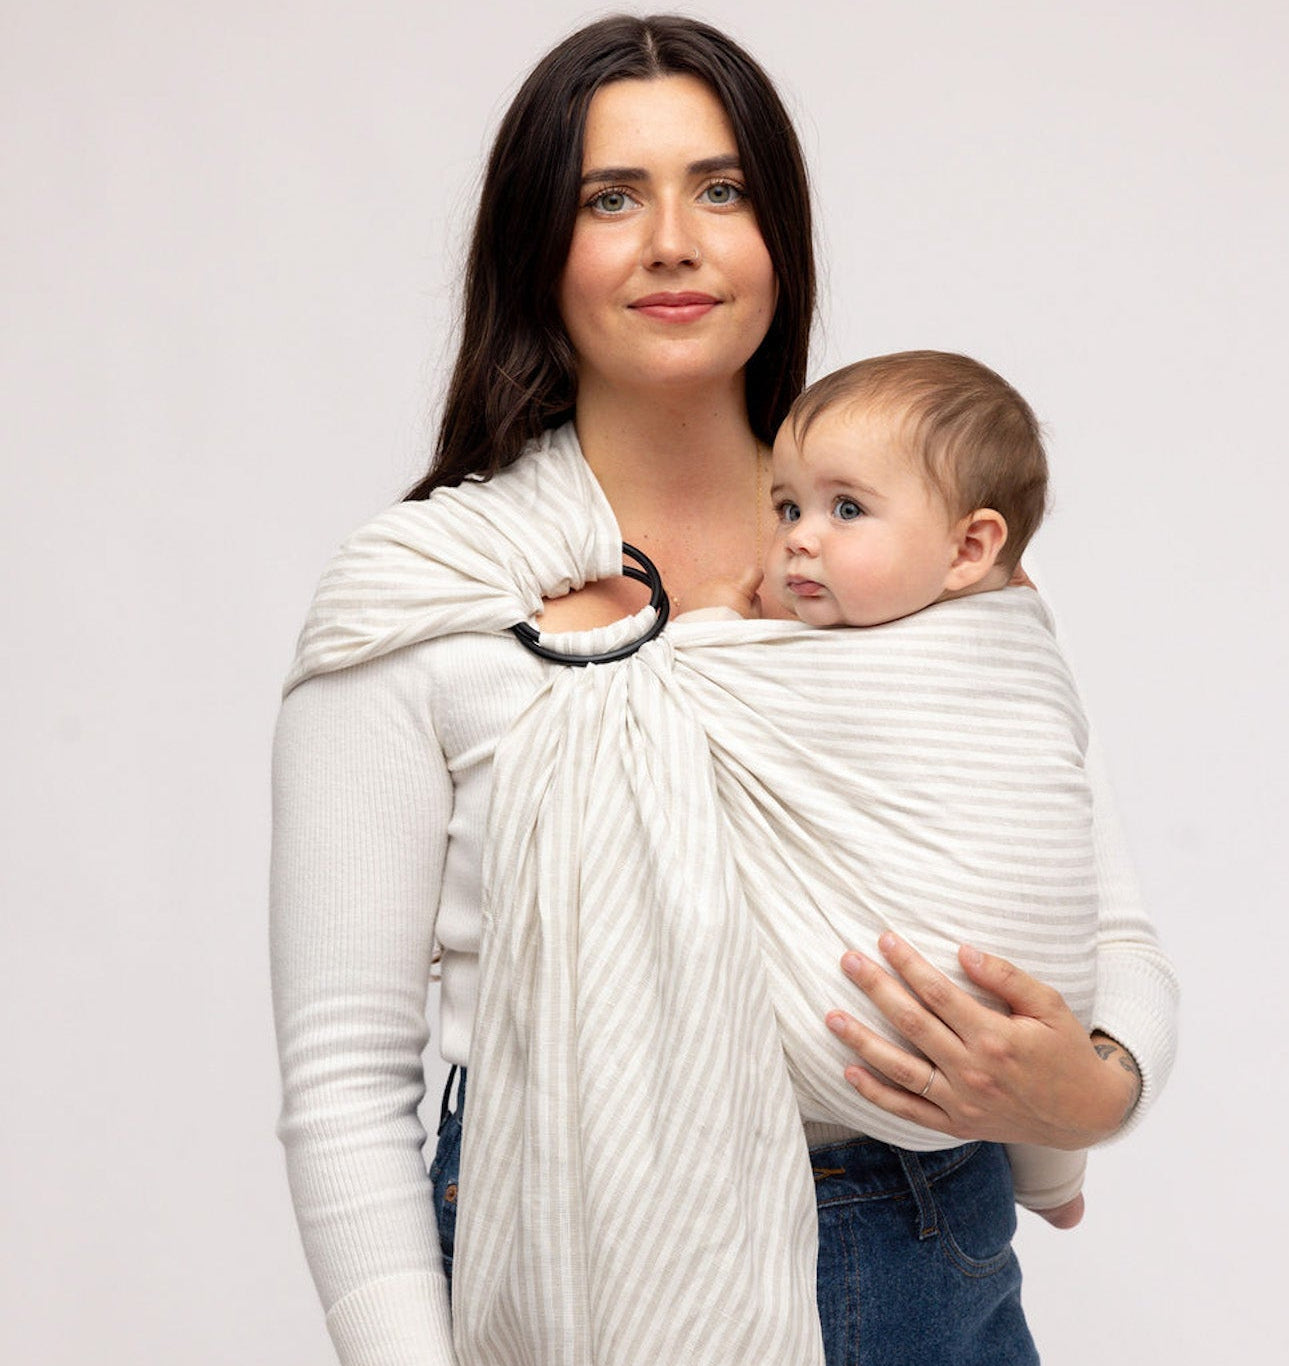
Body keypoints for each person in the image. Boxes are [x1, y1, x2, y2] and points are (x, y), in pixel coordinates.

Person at [270, 15, 1178, 1366]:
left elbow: (1092, 925)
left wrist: (1092, 1092)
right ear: (538, 247)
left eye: (721, 188)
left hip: (930, 1238)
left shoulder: (918, 560)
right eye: (610, 198)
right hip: (574, 1260)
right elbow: (344, 1078)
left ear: (776, 234)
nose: (673, 241)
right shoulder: (431, 597)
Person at [680, 348, 1095, 1228]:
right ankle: (1056, 1184)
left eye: (846, 509)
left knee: (1025, 978)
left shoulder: (974, 652)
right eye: (786, 506)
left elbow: (675, 678)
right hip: (1012, 1060)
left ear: (970, 548)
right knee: (1037, 992)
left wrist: (716, 618)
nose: (798, 535)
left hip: (903, 1056)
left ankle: (1056, 1175)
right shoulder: (1020, 626)